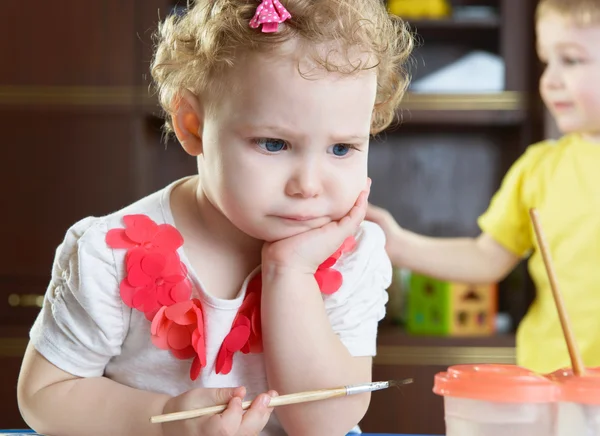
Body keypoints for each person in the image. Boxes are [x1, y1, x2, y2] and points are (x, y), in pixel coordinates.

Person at [16, 0, 413, 435]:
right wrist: (167, 423)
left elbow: (322, 422)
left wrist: (291, 271)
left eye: (342, 149)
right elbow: (46, 393)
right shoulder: (112, 253)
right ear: (192, 125)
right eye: (274, 144)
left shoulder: (354, 256)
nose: (309, 185)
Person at [367, 0, 600, 375]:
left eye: (571, 60)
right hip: (551, 379)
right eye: (546, 60)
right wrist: (398, 244)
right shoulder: (539, 168)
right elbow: (487, 258)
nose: (550, 79)